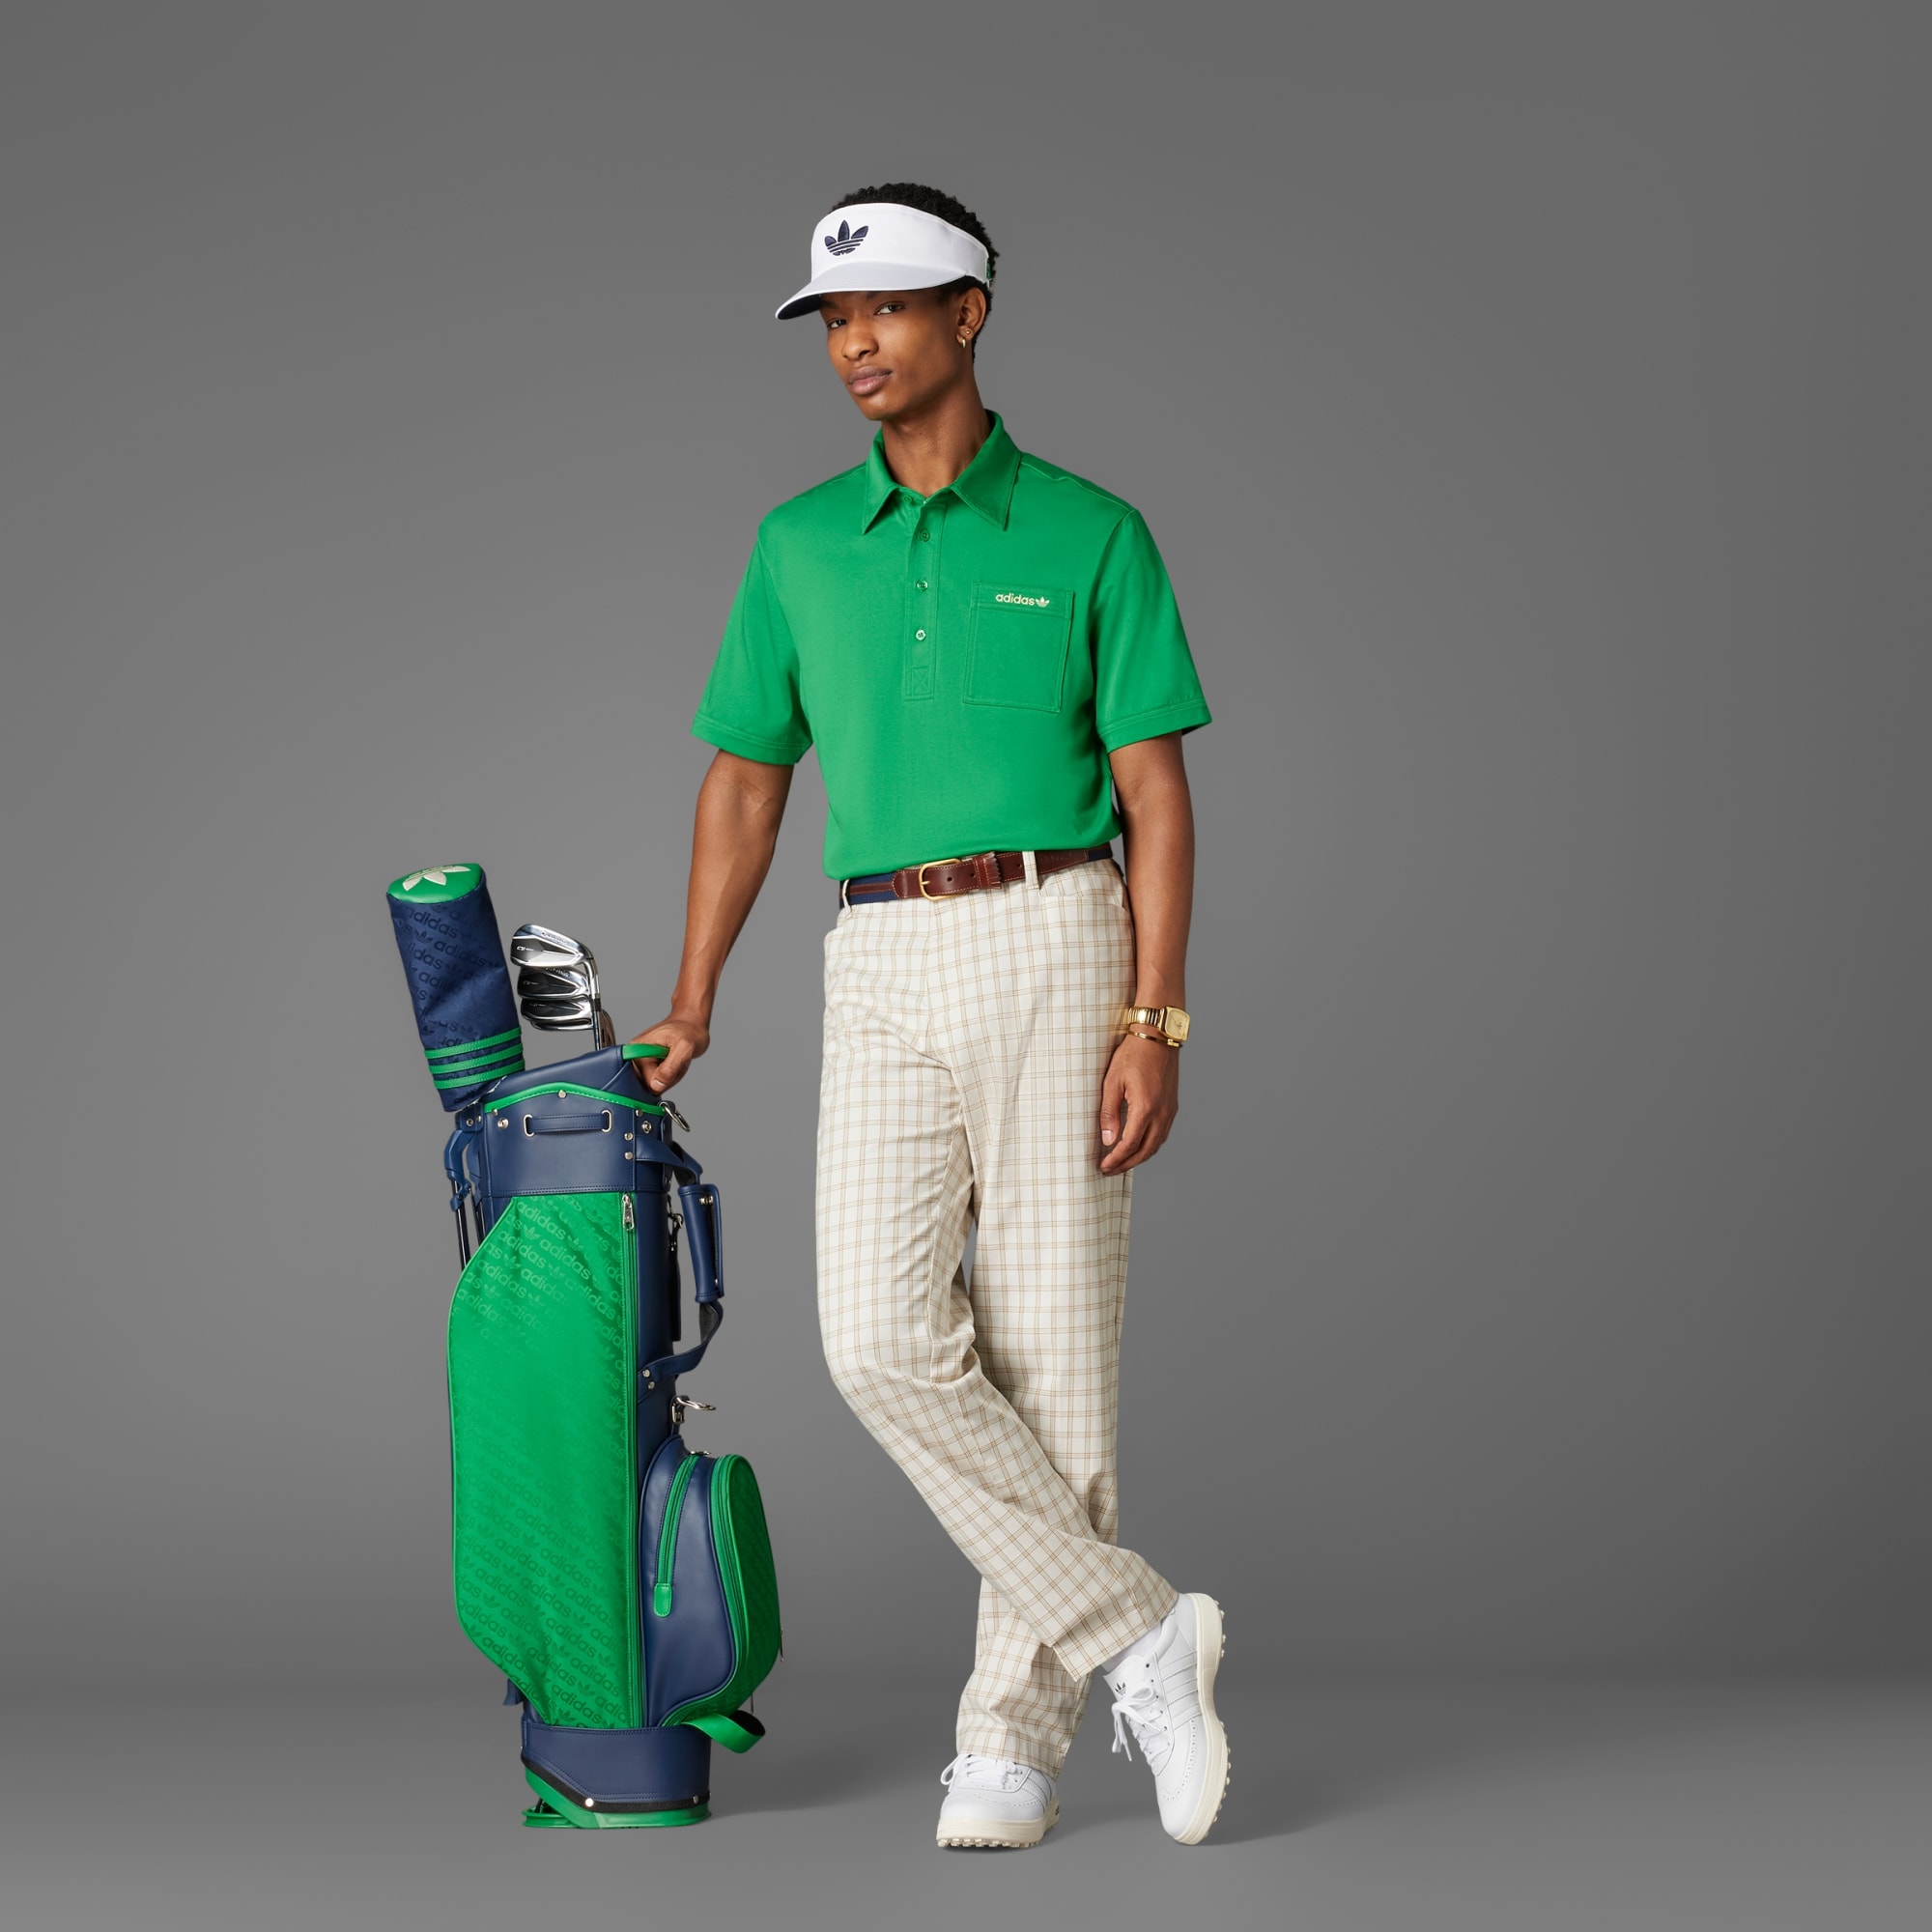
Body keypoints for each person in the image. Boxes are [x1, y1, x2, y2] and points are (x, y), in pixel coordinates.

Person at [633, 183, 1226, 1849]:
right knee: (879, 1341)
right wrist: (692, 1000)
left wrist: (1157, 1017)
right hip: (878, 950)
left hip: (1059, 929)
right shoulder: (797, 546)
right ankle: (1140, 1633)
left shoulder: (1092, 533)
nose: (855, 344)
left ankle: (1011, 1744)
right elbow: (747, 785)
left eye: (886, 308)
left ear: (970, 313)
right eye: (833, 319)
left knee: (1052, 1355)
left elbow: (1155, 797)